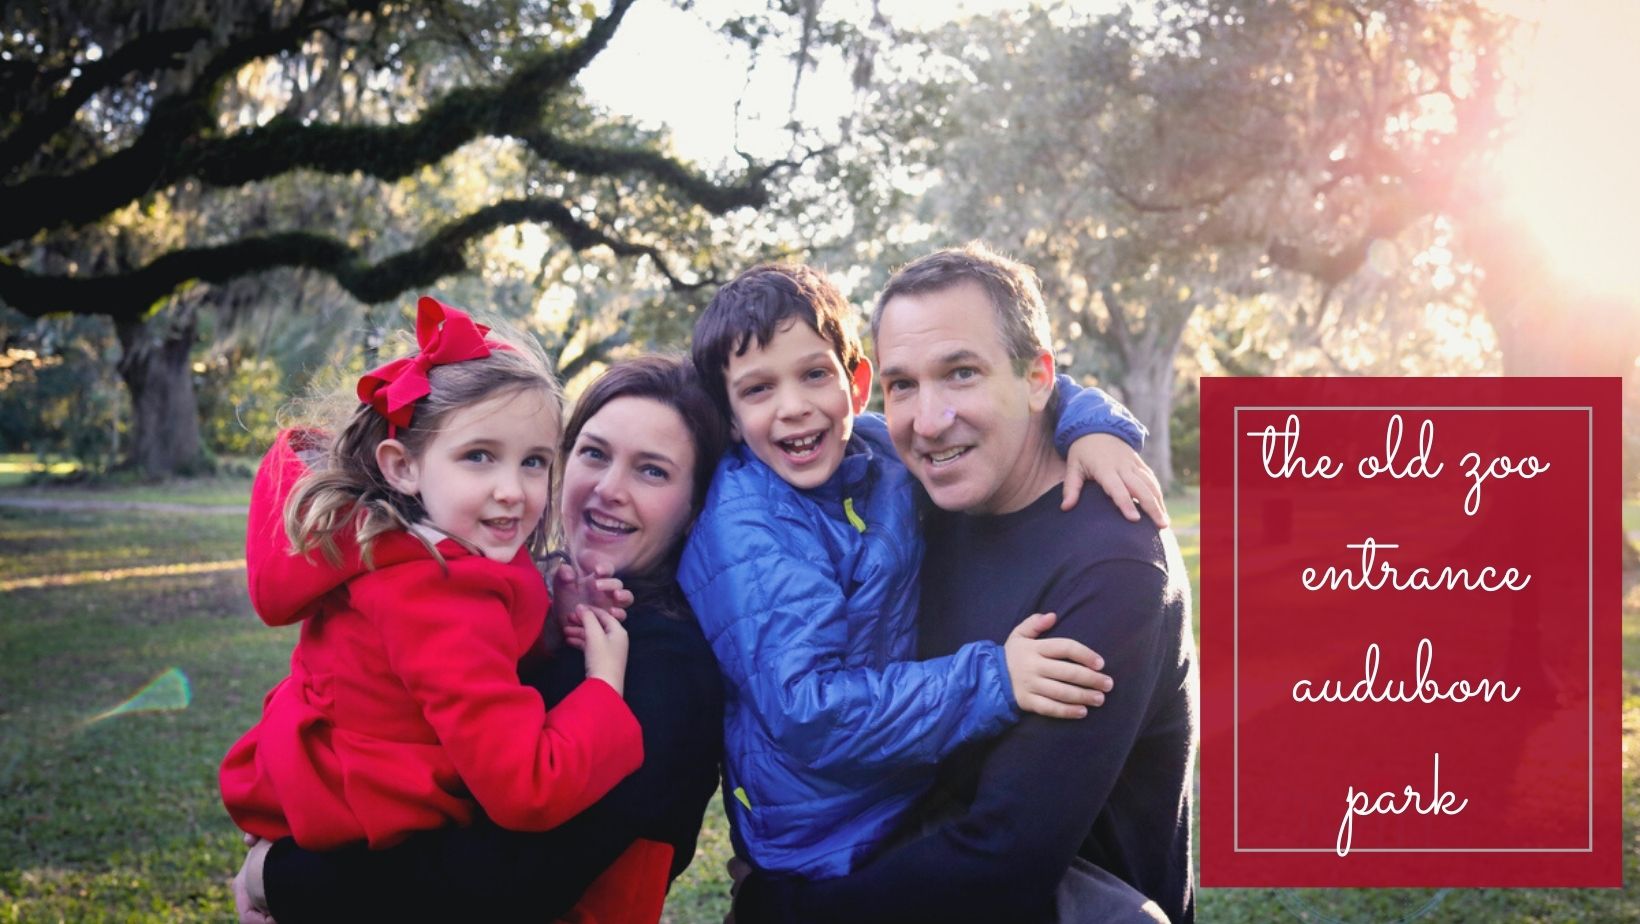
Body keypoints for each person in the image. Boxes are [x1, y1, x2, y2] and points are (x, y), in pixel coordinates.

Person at [734, 244, 1197, 924]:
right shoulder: (922, 494)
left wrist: (777, 909)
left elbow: (1002, 859)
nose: (928, 421)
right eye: (902, 385)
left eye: (961, 373)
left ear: (1038, 377)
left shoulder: (1113, 561)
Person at [230, 349, 728, 922]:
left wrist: (276, 875)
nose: (608, 488)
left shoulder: (667, 667)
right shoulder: (471, 584)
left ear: (696, 506)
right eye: (593, 453)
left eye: (652, 470)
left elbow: (491, 887)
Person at [221, 295, 641, 854]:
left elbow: (459, 675)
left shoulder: (409, 544)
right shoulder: (435, 593)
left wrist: (548, 620)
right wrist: (604, 687)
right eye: (478, 456)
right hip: (368, 829)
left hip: (322, 788)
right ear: (405, 466)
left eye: (533, 461)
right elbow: (526, 789)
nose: (512, 490)